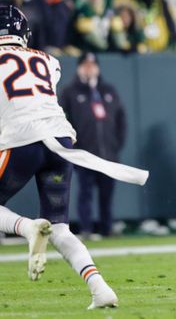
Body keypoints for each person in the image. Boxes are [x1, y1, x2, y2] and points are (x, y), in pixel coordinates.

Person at [0, 5, 147, 309]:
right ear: (23, 33)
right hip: (61, 139)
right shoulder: (47, 61)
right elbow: (31, 102)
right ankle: (100, 288)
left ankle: (28, 228)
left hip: (22, 141)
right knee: (61, 228)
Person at [59, 52, 127, 239]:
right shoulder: (70, 91)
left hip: (108, 152)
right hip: (84, 153)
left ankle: (107, 228)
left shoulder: (108, 90)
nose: (89, 68)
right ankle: (87, 229)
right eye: (86, 65)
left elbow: (121, 120)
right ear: (79, 67)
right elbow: (63, 120)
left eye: (92, 64)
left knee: (107, 194)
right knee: (85, 193)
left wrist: (115, 144)